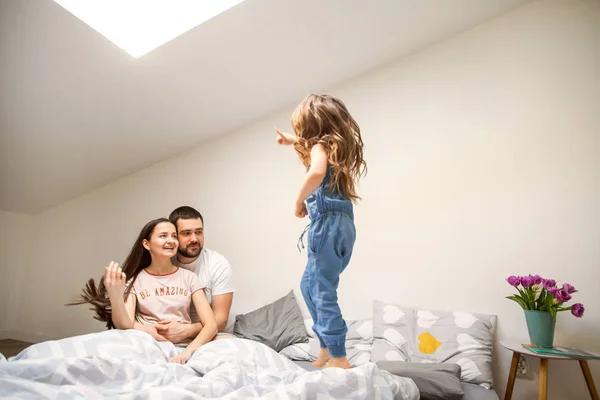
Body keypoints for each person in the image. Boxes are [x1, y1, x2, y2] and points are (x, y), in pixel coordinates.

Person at [276, 94, 367, 369]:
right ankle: (327, 348)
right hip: (343, 227)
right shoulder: (331, 147)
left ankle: (339, 357)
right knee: (310, 286)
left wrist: (298, 200)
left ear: (311, 127)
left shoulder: (318, 148)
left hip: (325, 225)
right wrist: (290, 141)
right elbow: (309, 148)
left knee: (320, 289)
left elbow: (315, 173)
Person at [70, 218, 218, 364]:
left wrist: (186, 353)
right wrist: (116, 297)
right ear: (146, 244)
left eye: (174, 236)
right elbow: (124, 324)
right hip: (144, 345)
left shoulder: (189, 278)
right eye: (163, 236)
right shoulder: (135, 279)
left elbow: (211, 325)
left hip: (182, 347)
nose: (171, 240)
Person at [142, 206, 234, 343]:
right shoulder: (162, 260)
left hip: (211, 336)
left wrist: (186, 330)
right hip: (168, 338)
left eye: (199, 232)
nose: (194, 239)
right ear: (174, 235)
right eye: (186, 233)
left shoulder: (217, 264)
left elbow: (220, 321)